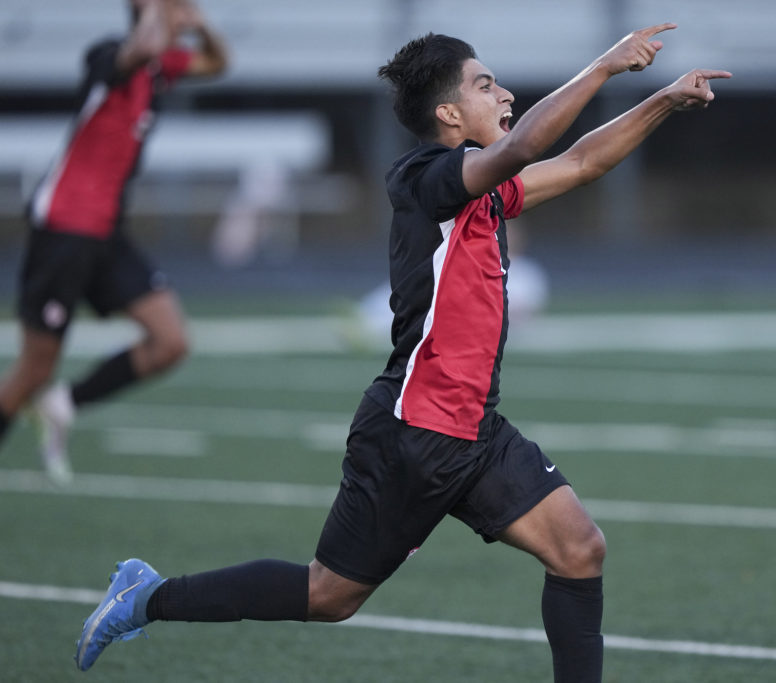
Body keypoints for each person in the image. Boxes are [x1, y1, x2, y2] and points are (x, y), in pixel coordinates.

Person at [74, 24, 729, 681]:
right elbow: (530, 142)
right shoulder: (425, 177)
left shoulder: (483, 189)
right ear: (448, 113)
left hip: (474, 429)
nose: (501, 92)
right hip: (412, 434)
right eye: (484, 84)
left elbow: (584, 161)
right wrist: (606, 67)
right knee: (328, 595)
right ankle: (147, 595)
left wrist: (664, 100)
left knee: (580, 549)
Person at [0, 0, 228, 484]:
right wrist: (154, 10)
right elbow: (141, 43)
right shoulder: (108, 56)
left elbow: (218, 62)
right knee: (33, 369)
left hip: (106, 233)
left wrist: (201, 25)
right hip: (63, 230)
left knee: (170, 342)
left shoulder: (162, 69)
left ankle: (66, 402)